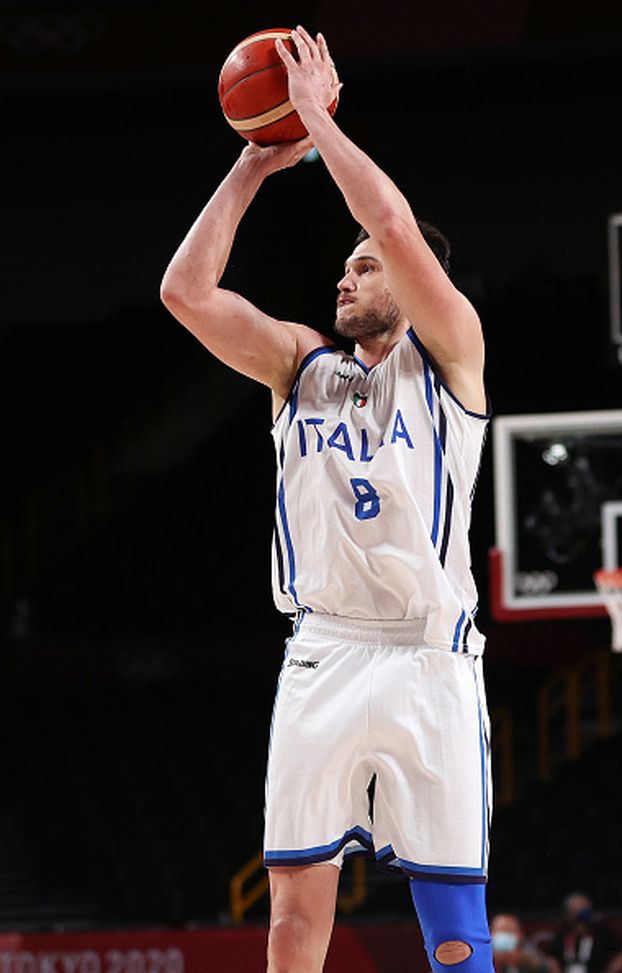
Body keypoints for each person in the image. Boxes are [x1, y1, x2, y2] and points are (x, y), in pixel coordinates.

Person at [160, 25, 492, 973]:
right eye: (341, 265)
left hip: (431, 658)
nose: (346, 272)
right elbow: (185, 291)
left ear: (417, 285)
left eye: (364, 266)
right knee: (293, 924)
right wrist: (256, 166)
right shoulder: (300, 366)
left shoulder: (454, 353)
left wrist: (315, 117)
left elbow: (392, 224)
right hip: (323, 652)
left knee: (456, 933)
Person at [549, 893, 622, 973]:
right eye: (574, 910)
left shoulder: (602, 932)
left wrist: (610, 970)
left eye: (583, 909)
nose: (579, 913)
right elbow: (552, 959)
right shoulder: (561, 934)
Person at [491, 913, 560, 973]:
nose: (504, 935)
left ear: (520, 935)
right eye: (500, 931)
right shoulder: (484, 962)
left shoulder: (535, 964)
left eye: (508, 931)